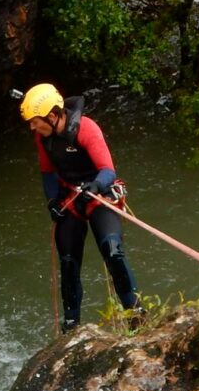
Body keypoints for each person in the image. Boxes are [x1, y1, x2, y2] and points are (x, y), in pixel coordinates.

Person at [19, 83, 141, 333]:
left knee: (112, 250)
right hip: (71, 198)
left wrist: (95, 187)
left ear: (53, 116)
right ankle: (72, 324)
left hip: (99, 194)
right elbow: (48, 174)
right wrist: (52, 201)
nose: (33, 127)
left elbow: (108, 170)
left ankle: (135, 312)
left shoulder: (86, 129)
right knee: (68, 261)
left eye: (35, 121)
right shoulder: (44, 139)